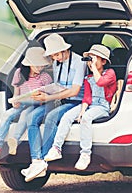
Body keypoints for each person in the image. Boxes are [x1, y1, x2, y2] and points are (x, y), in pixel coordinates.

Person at [22, 33, 86, 182]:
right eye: (53, 55)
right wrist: (42, 91)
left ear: (65, 50)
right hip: (60, 99)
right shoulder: (57, 63)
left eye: (57, 54)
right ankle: (36, 160)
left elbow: (74, 91)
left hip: (75, 101)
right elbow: (57, 86)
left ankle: (43, 161)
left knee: (51, 117)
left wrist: (48, 98)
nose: (55, 58)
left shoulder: (79, 62)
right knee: (31, 118)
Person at [44, 44, 116, 170]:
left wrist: (93, 68)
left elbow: (100, 82)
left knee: (86, 118)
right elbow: (87, 97)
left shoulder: (110, 73)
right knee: (67, 116)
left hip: (103, 106)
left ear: (103, 61)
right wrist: (82, 110)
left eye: (94, 59)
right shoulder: (88, 78)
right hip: (90, 105)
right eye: (89, 60)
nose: (90, 62)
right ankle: (56, 148)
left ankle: (85, 154)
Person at [0, 47, 52, 158]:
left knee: (24, 115)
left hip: (36, 103)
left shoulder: (45, 77)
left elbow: (48, 93)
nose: (40, 68)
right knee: (7, 115)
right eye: (37, 65)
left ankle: (15, 139)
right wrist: (15, 99)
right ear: (29, 64)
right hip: (22, 101)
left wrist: (41, 98)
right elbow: (16, 90)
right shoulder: (19, 73)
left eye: (42, 65)